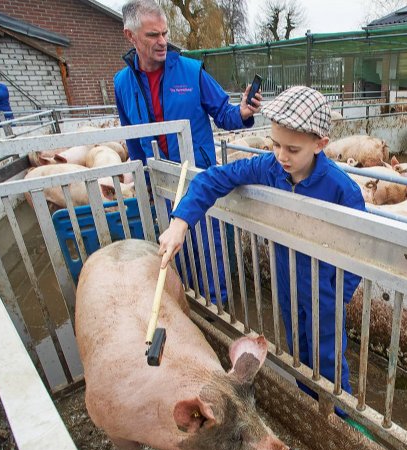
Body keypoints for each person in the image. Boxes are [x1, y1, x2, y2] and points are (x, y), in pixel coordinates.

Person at [157, 86, 366, 413]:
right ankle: (310, 408)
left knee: (329, 361)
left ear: (320, 144)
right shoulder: (269, 168)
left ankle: (339, 419)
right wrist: (180, 222)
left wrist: (337, 294)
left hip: (324, 288)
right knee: (298, 352)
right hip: (287, 282)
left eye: (293, 149)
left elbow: (361, 252)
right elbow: (213, 179)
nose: (282, 156)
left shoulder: (343, 190)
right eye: (276, 144)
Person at [114, 0, 261, 303]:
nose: (162, 42)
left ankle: (218, 306)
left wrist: (243, 112)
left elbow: (224, 113)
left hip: (198, 180)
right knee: (177, 250)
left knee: (210, 250)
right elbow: (132, 138)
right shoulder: (122, 83)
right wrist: (141, 178)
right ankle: (187, 302)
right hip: (161, 182)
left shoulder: (191, 72)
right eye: (152, 35)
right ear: (131, 36)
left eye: (164, 33)